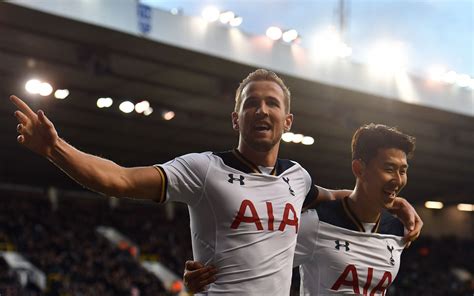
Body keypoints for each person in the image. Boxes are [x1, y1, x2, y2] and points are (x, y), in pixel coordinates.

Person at [10, 69, 421, 295]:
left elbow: (338, 195)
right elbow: (118, 179)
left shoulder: (298, 178)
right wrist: (55, 149)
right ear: (236, 118)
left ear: (287, 121)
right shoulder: (203, 169)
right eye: (251, 104)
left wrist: (395, 203)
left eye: (272, 103)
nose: (262, 110)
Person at [183, 123, 417, 295]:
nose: (398, 178)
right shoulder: (316, 222)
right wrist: (204, 277)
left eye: (403, 170)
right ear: (359, 168)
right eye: (389, 168)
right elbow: (255, 260)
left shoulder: (399, 230)